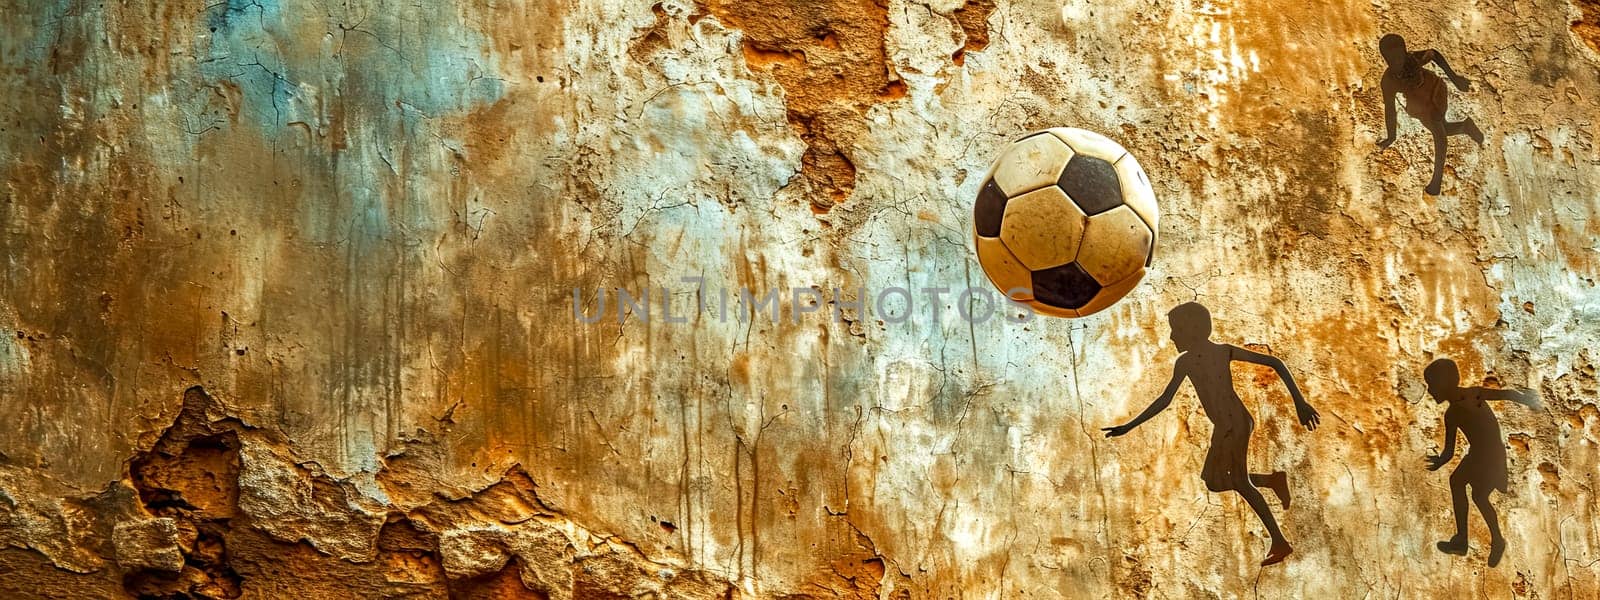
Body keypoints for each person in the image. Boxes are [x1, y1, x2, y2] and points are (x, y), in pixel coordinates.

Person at [1104, 302, 1320, 566]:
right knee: (1213, 481)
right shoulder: (1184, 362)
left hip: (1236, 424)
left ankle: (1279, 541)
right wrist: (1129, 426)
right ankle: (1271, 480)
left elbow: (1274, 362)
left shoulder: (1222, 351)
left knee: (1240, 482)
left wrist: (1300, 402)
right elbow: (1165, 400)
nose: (1172, 337)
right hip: (1224, 427)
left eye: (1176, 331)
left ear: (1192, 330)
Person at [1422, 358, 1540, 567]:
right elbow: (1448, 451)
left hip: (1487, 455)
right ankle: (1491, 540)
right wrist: (1440, 461)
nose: (1430, 391)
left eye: (1432, 385)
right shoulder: (1464, 402)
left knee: (1462, 485)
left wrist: (1529, 400)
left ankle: (1465, 540)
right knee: (1476, 494)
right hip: (1484, 454)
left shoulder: (1469, 398)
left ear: (1443, 384)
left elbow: (1505, 395)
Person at [1376, 33, 1484, 195]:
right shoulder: (1388, 81)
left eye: (1400, 57)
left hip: (1435, 91)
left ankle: (1436, 181)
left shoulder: (1414, 59)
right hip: (1419, 105)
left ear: (1405, 52)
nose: (1397, 62)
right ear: (1386, 59)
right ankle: (1464, 127)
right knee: (1442, 129)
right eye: (1392, 60)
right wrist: (1391, 136)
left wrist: (1455, 79)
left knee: (1438, 132)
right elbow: (1390, 109)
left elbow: (1434, 54)